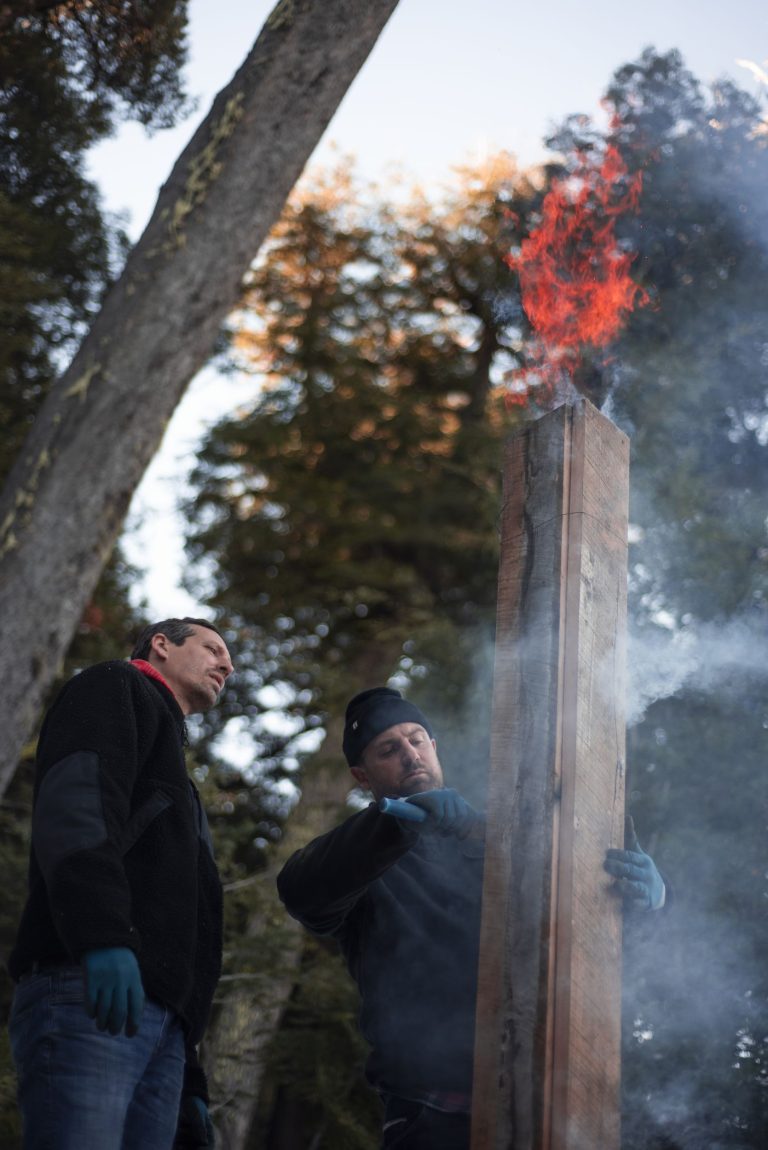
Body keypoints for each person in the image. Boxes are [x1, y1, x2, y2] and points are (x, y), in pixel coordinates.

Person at [277, 686, 666, 1150]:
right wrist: (394, 824)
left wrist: (648, 907)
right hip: (430, 1112)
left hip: (552, 1100)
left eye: (417, 739)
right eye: (389, 749)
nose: (409, 754)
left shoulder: (499, 839)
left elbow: (586, 943)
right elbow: (301, 891)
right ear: (362, 775)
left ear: (434, 748)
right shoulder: (363, 862)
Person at [7, 617, 234, 1150]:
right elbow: (76, 807)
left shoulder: (184, 789)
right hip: (86, 990)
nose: (227, 664)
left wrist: (190, 1072)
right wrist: (101, 936)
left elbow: (194, 923)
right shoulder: (112, 686)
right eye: (212, 648)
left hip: (164, 1034)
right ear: (161, 644)